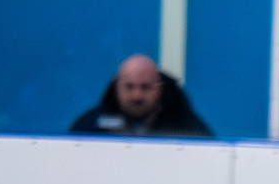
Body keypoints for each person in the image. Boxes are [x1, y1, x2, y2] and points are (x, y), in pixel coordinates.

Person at [68, 54, 213, 139]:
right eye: (129, 87)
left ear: (160, 88)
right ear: (116, 86)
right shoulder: (91, 125)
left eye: (146, 87)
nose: (137, 96)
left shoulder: (186, 126)